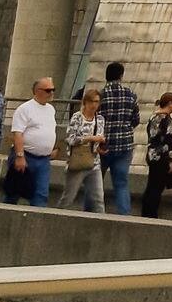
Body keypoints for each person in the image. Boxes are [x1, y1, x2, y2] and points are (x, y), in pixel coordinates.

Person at [95, 61, 140, 216]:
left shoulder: (99, 96)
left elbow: (94, 119)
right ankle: (123, 215)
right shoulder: (131, 95)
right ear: (121, 75)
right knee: (121, 183)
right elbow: (135, 120)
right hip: (124, 145)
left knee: (95, 180)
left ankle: (94, 212)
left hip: (103, 146)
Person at [7, 77, 58, 207]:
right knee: (13, 192)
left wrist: (53, 148)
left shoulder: (51, 109)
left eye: (53, 90)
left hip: (44, 160)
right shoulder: (24, 109)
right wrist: (20, 156)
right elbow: (18, 133)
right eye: (48, 90)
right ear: (37, 91)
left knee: (41, 194)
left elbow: (50, 130)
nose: (51, 93)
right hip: (26, 156)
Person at [60, 86, 107, 211]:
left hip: (94, 162)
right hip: (78, 161)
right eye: (91, 101)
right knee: (69, 197)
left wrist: (99, 146)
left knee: (98, 199)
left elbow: (99, 138)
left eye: (97, 102)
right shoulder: (77, 117)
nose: (94, 105)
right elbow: (70, 139)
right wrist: (90, 138)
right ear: (85, 102)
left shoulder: (100, 119)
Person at [139, 93, 172, 218]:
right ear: (170, 103)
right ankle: (151, 213)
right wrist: (171, 160)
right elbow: (168, 141)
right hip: (162, 157)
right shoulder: (166, 119)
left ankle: (146, 211)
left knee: (152, 185)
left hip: (152, 155)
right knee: (157, 187)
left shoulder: (153, 117)